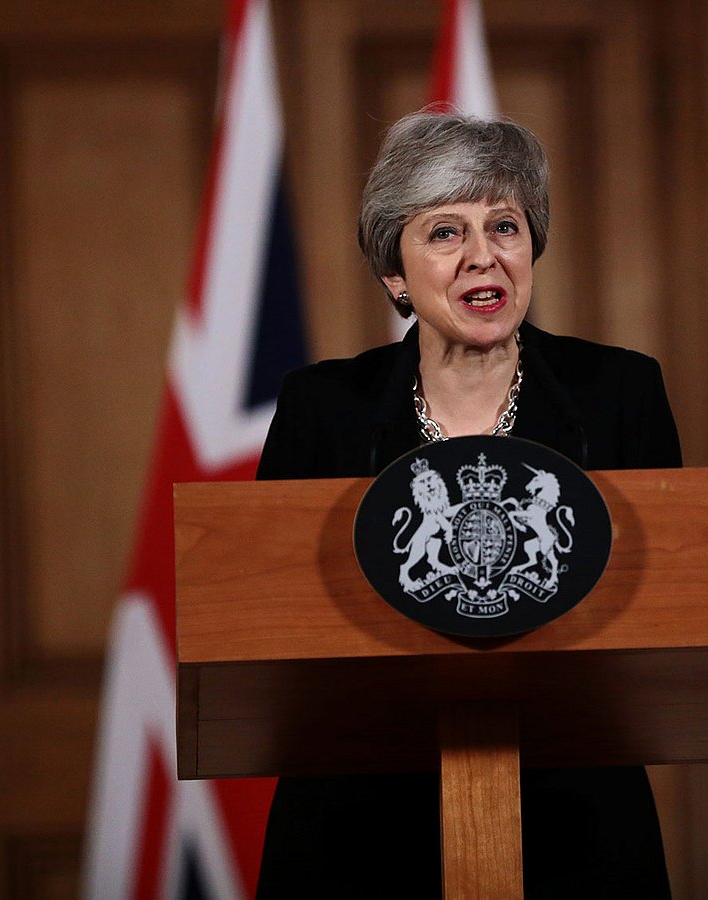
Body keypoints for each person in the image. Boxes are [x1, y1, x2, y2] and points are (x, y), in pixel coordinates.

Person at [255, 110, 680, 899]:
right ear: (394, 272)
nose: (483, 256)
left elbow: (673, 615)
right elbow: (268, 629)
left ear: (531, 247)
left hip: (576, 822)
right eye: (445, 232)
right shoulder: (323, 410)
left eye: (505, 226)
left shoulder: (618, 396)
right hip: (358, 829)